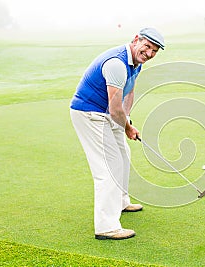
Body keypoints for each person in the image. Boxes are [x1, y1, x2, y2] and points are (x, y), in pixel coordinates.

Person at [70, 27, 165, 240]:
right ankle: (106, 226)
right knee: (109, 168)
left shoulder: (136, 64)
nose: (149, 53)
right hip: (90, 113)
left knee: (123, 156)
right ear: (136, 40)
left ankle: (121, 201)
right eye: (147, 46)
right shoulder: (116, 64)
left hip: (108, 113)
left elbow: (129, 92)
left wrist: (128, 119)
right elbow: (114, 108)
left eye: (154, 50)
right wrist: (128, 128)